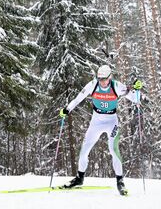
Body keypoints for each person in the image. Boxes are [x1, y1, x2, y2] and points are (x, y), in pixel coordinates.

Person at [58, 64, 143, 195]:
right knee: (84, 149)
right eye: (100, 79)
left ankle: (120, 182)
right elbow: (78, 98)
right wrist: (67, 109)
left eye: (104, 79)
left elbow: (135, 99)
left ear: (110, 77)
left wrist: (137, 89)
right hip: (96, 121)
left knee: (113, 149)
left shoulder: (117, 86)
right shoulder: (93, 85)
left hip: (111, 121)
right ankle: (79, 178)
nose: (102, 82)